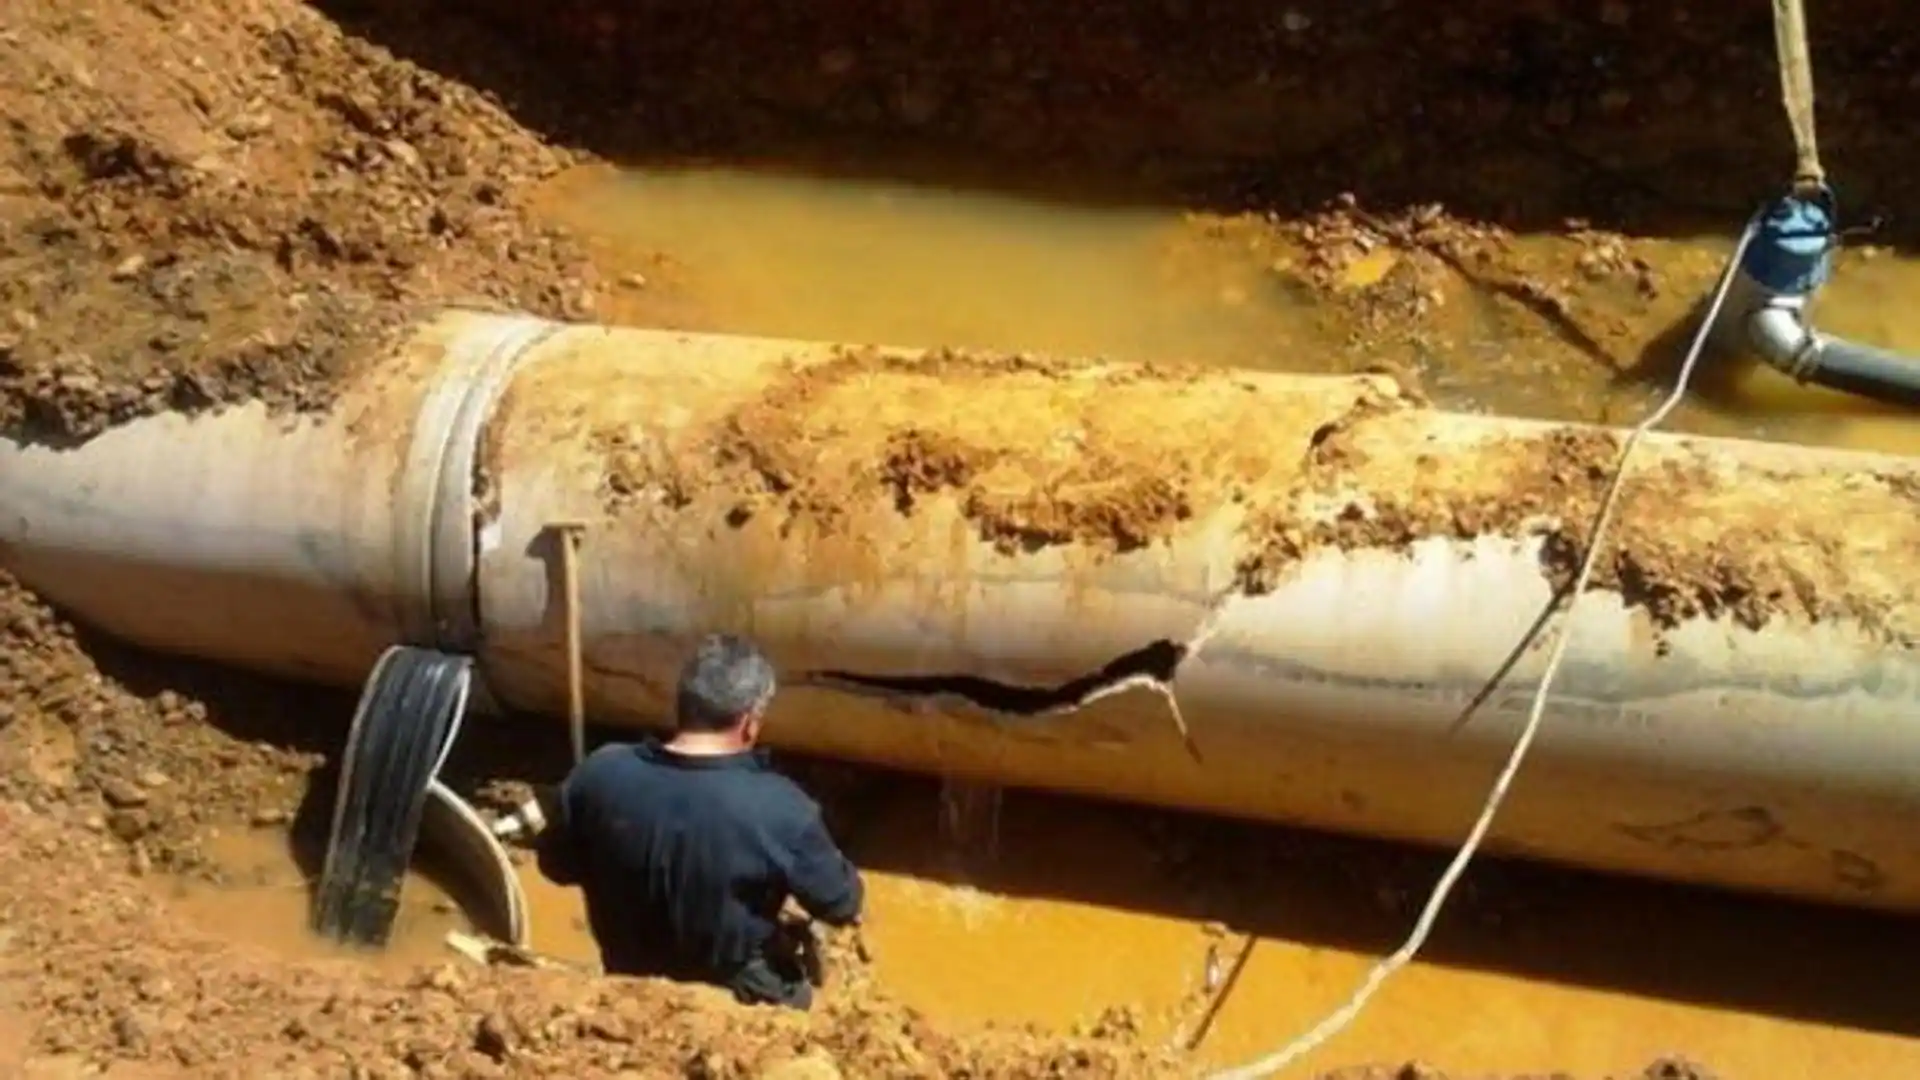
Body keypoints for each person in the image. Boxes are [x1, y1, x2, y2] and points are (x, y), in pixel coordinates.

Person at [534, 632, 864, 1009]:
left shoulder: (598, 773)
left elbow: (554, 866)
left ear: (683, 705)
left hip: (628, 984)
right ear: (749, 723)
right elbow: (841, 903)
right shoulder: (782, 807)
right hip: (738, 996)